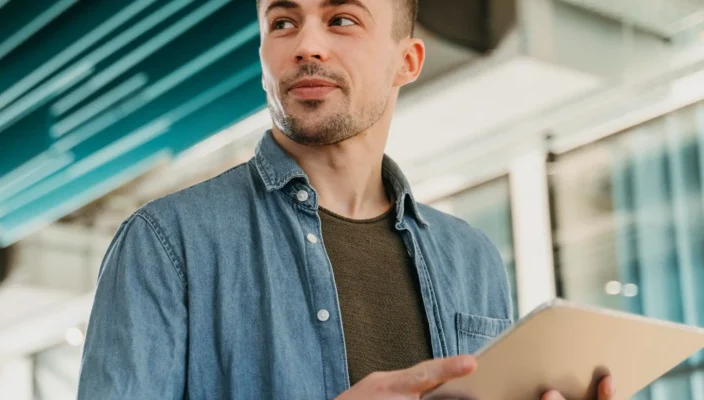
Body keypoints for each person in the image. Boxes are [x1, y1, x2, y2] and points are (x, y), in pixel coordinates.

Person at [76, 0, 615, 399]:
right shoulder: (165, 244)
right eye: (283, 23)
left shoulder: (473, 259)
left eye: (342, 20)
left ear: (407, 61)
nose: (307, 45)